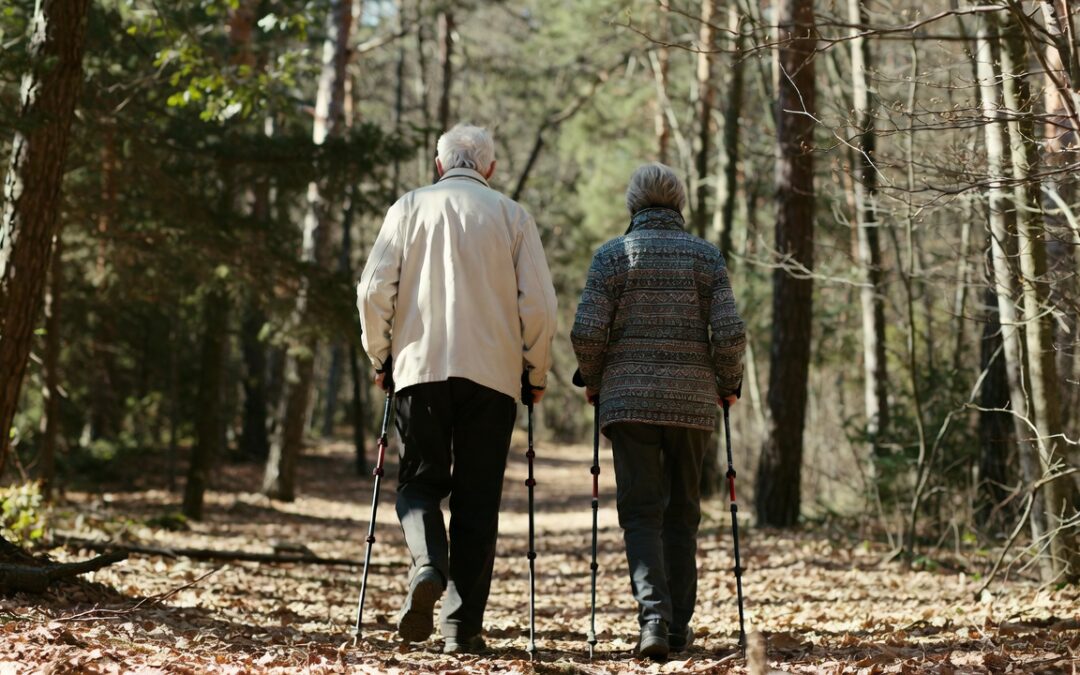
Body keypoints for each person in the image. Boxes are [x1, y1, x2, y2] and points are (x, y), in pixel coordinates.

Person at [357, 123, 558, 654]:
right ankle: (461, 629)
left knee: (419, 485)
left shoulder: (408, 207)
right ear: (489, 168)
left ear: (440, 164)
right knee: (477, 501)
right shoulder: (513, 216)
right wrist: (534, 373)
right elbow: (538, 305)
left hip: (419, 369)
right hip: (492, 378)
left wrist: (381, 355)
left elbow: (374, 289)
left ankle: (427, 564)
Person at [570, 163, 746, 659]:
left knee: (641, 514)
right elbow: (730, 333)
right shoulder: (706, 257)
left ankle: (653, 618)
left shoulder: (611, 256)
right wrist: (728, 383)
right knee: (682, 513)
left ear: (632, 204)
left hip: (628, 402)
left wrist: (597, 380)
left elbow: (587, 333)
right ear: (680, 204)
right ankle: (677, 627)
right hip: (692, 402)